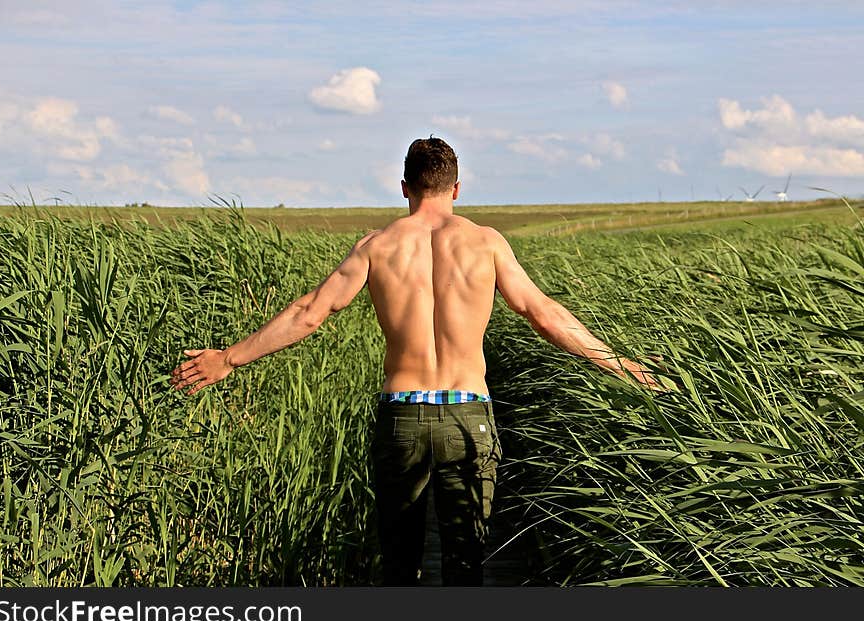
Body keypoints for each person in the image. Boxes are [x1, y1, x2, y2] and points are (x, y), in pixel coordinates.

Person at [170, 136, 665, 586]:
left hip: (403, 413)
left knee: (400, 565)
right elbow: (542, 313)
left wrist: (229, 359)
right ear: (456, 189)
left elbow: (308, 314)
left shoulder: (377, 246)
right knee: (466, 563)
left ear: (405, 186)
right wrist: (626, 366)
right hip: (469, 412)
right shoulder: (487, 244)